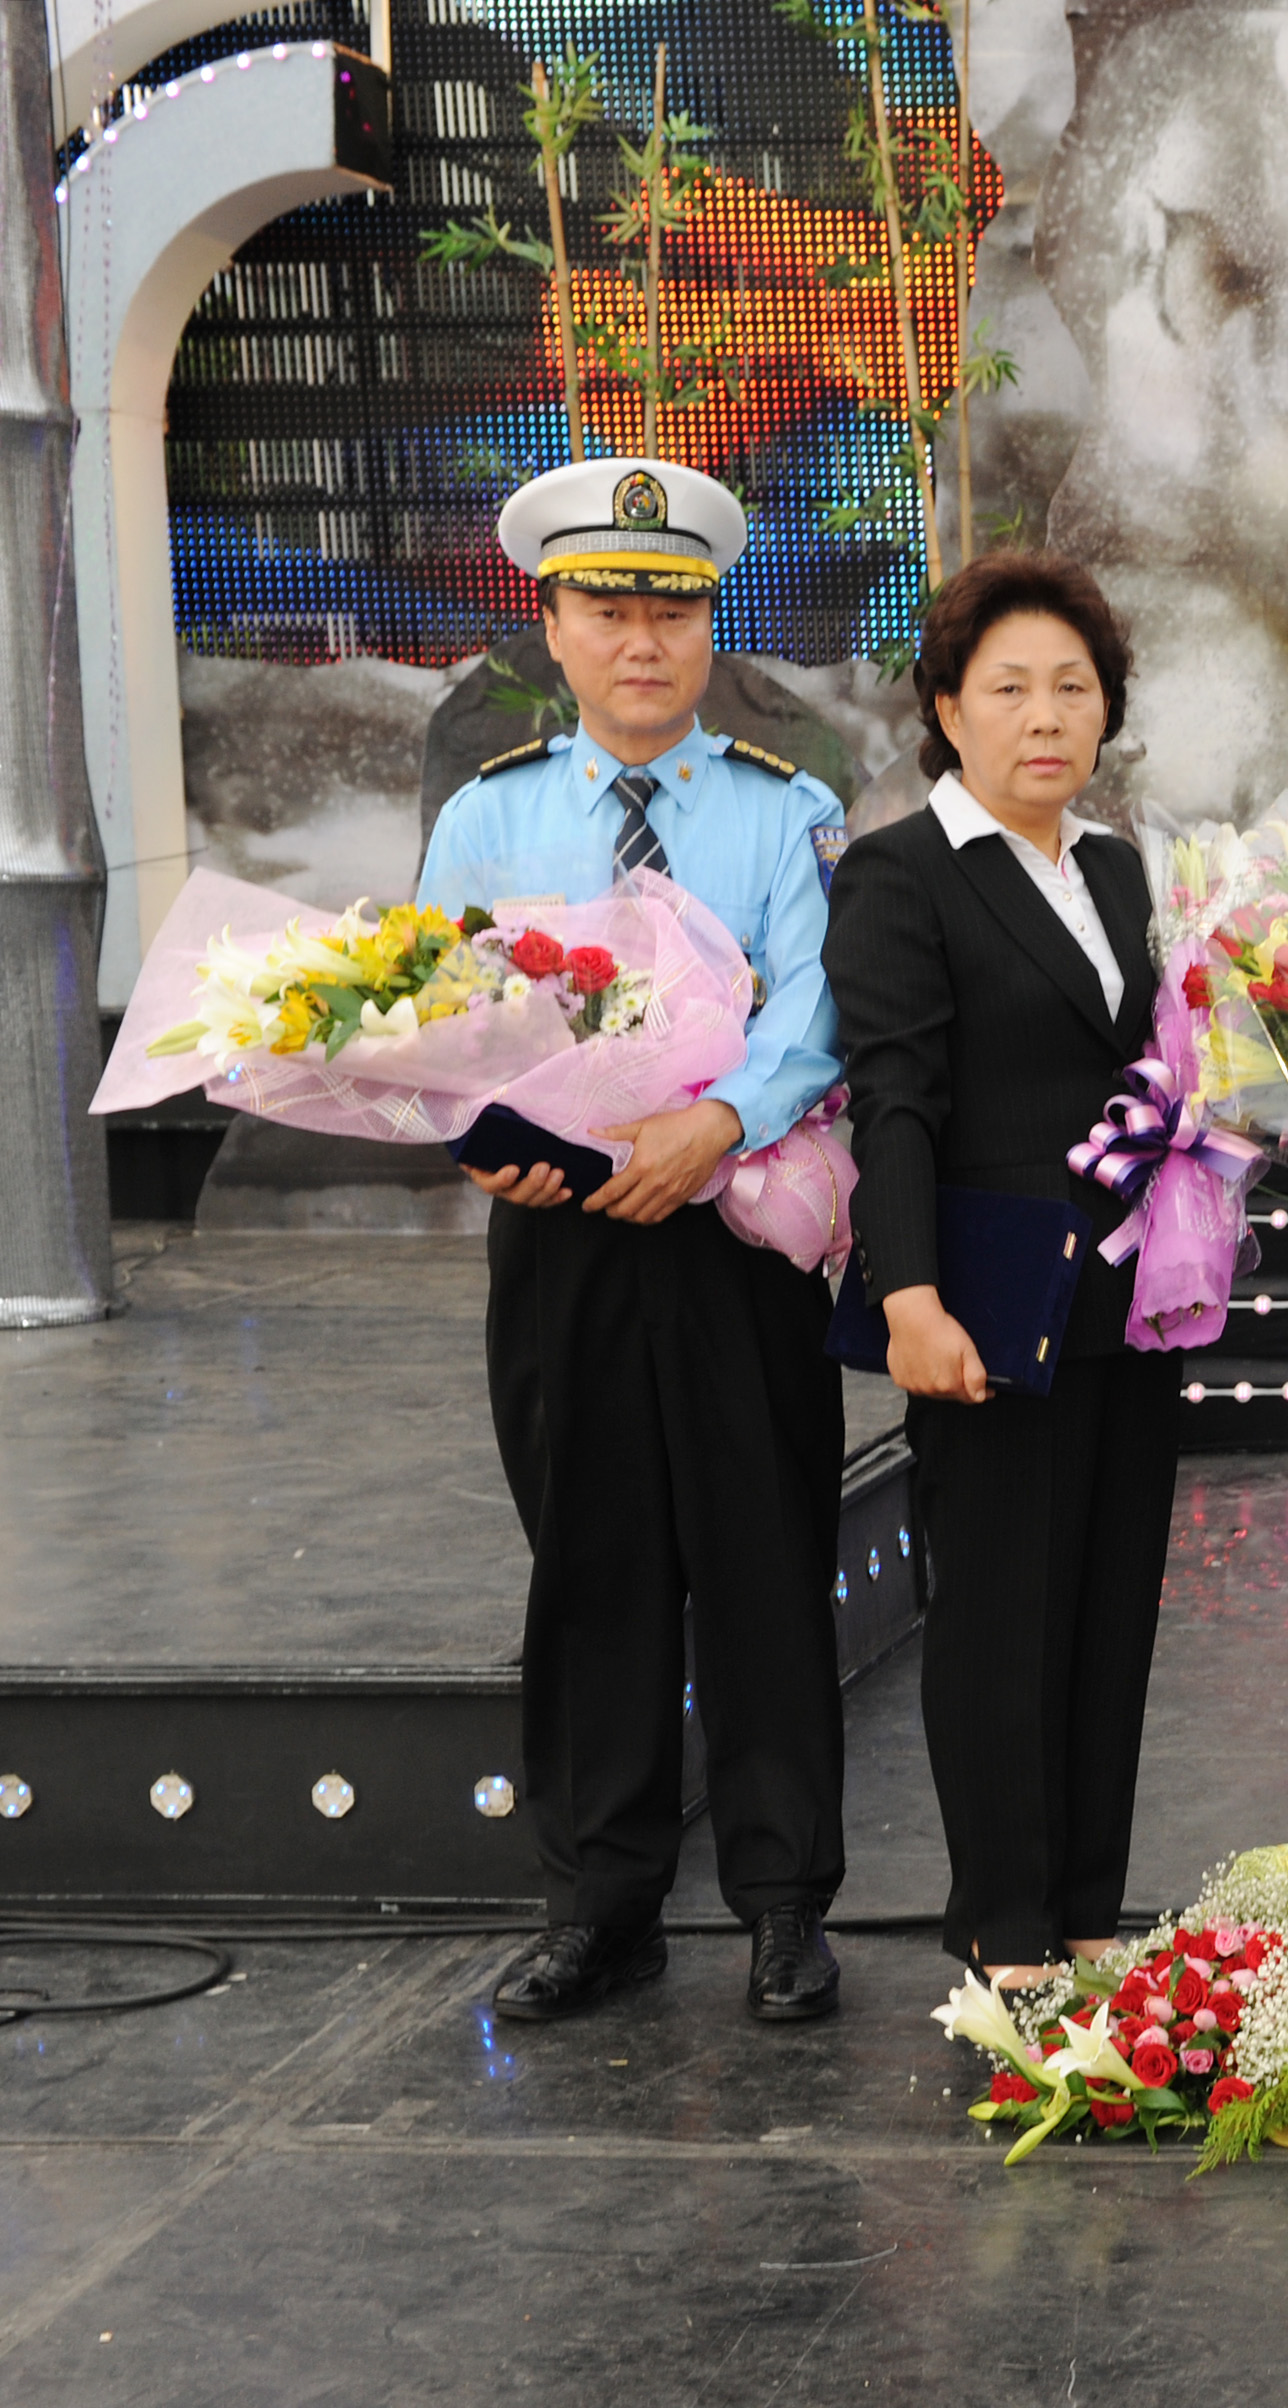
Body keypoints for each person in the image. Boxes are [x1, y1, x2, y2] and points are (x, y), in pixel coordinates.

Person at [425, 455, 853, 2027]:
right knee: (590, 1566)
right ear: (550, 626)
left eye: (673, 610)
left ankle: (783, 1902)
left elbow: (821, 1003)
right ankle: (599, 1903)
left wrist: (720, 1123)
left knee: (764, 1560)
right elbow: (428, 1012)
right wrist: (488, 1140)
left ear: (710, 625)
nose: (644, 642)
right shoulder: (489, 813)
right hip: (562, 1246)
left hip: (735, 1229)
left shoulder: (781, 807)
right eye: (608, 609)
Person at [820, 552, 1170, 1992]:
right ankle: (1005, 1925)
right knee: (997, 1621)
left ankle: (1092, 1907)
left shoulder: (1117, 870)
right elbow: (889, 1099)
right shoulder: (902, 872)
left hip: (1129, 1302)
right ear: (947, 709)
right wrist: (908, 1296)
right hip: (984, 1303)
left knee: (1108, 1611)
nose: (1046, 716)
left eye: (1074, 688)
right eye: (1011, 688)